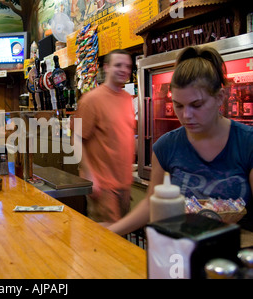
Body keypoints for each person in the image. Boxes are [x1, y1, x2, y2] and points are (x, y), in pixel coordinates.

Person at [108, 46, 253, 235]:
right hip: (183, 249)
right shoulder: (166, 146)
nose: (186, 115)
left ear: (220, 97)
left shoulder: (246, 142)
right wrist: (110, 232)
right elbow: (152, 202)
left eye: (197, 105)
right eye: (178, 105)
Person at [74, 49, 136, 224]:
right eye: (118, 65)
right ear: (106, 68)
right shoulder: (90, 100)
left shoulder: (127, 98)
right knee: (106, 242)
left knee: (121, 241)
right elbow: (76, 139)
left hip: (124, 184)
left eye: (127, 66)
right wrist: (88, 174)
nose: (123, 70)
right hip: (102, 187)